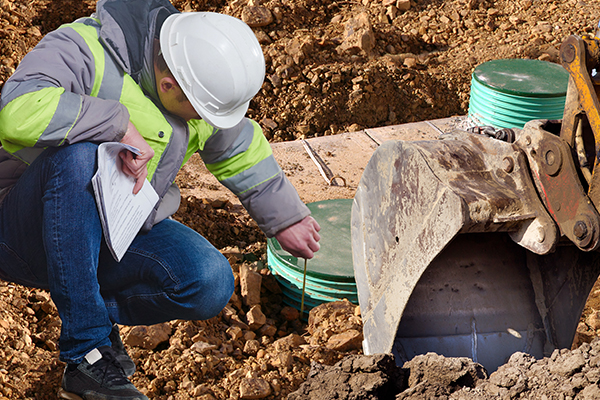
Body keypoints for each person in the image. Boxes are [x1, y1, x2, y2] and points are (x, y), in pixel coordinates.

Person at [0, 0, 321, 398]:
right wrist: (116, 124)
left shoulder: (195, 82)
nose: (202, 120)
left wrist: (285, 217)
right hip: (20, 228)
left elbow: (239, 145)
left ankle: (87, 306)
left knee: (208, 280)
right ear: (168, 83)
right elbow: (16, 110)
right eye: (198, 110)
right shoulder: (83, 48)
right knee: (81, 157)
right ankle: (87, 351)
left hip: (109, 232)